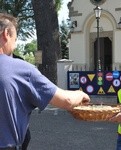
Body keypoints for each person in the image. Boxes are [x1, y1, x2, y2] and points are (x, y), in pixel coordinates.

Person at [0, 13, 90, 149]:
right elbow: (66, 101)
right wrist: (81, 94)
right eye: (15, 39)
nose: (15, 45)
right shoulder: (20, 69)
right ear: (6, 34)